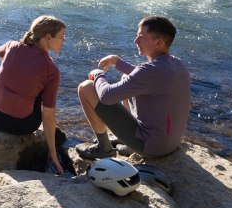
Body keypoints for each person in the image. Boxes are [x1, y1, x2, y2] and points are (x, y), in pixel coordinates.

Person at [76, 16, 191, 160]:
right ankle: (126, 141)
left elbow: (106, 97)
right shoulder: (177, 64)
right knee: (126, 78)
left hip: (151, 148)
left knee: (86, 87)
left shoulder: (149, 70)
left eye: (141, 37)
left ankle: (104, 148)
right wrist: (117, 62)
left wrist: (98, 74)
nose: (136, 41)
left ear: (159, 42)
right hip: (170, 143)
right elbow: (142, 77)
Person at [0, 15, 66, 175]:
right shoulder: (51, 70)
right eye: (61, 36)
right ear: (48, 37)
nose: (63, 40)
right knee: (39, 84)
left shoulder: (12, 45)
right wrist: (52, 152)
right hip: (24, 127)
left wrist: (16, 66)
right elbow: (48, 114)